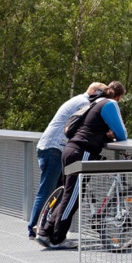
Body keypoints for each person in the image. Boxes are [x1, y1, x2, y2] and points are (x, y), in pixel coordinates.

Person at [37, 81, 127, 248]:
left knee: (68, 195)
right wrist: (111, 134)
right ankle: (57, 238)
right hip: (82, 151)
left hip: (71, 149)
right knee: (72, 198)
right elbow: (122, 134)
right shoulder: (110, 104)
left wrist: (105, 136)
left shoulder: (94, 103)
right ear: (119, 97)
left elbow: (91, 129)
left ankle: (45, 232)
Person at [27, 82, 108, 238]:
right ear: (95, 91)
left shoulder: (77, 100)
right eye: (102, 95)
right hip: (55, 148)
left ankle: (44, 227)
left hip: (50, 147)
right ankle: (34, 229)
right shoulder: (85, 103)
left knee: (59, 190)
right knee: (48, 191)